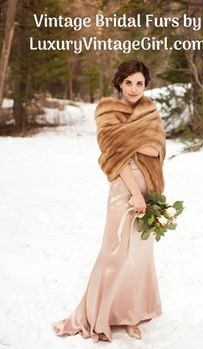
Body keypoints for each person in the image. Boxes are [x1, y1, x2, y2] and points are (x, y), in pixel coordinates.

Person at [51, 59, 166, 343]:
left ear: (146, 84)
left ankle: (131, 315)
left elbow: (157, 147)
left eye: (139, 83)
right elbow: (113, 157)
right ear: (119, 83)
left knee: (140, 254)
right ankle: (102, 313)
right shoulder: (107, 111)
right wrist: (134, 192)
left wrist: (129, 145)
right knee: (115, 252)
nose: (134, 88)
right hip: (123, 187)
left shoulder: (150, 110)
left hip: (150, 185)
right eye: (129, 82)